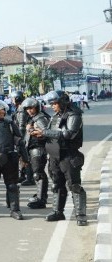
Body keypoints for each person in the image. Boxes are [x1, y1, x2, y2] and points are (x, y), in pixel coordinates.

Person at [29, 90, 87, 225]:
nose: (52, 106)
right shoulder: (55, 116)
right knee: (57, 185)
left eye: (54, 103)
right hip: (54, 156)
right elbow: (50, 134)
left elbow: (68, 134)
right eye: (51, 104)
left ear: (62, 102)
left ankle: (81, 215)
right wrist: (38, 133)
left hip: (68, 155)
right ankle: (57, 211)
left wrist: (44, 131)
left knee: (74, 186)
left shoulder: (74, 115)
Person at [21, 97, 51, 210]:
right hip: (33, 148)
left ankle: (41, 199)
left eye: (31, 108)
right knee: (38, 173)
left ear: (36, 107)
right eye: (27, 108)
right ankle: (41, 196)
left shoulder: (40, 118)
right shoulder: (33, 118)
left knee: (38, 173)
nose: (29, 110)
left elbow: (46, 133)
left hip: (39, 148)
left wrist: (30, 130)